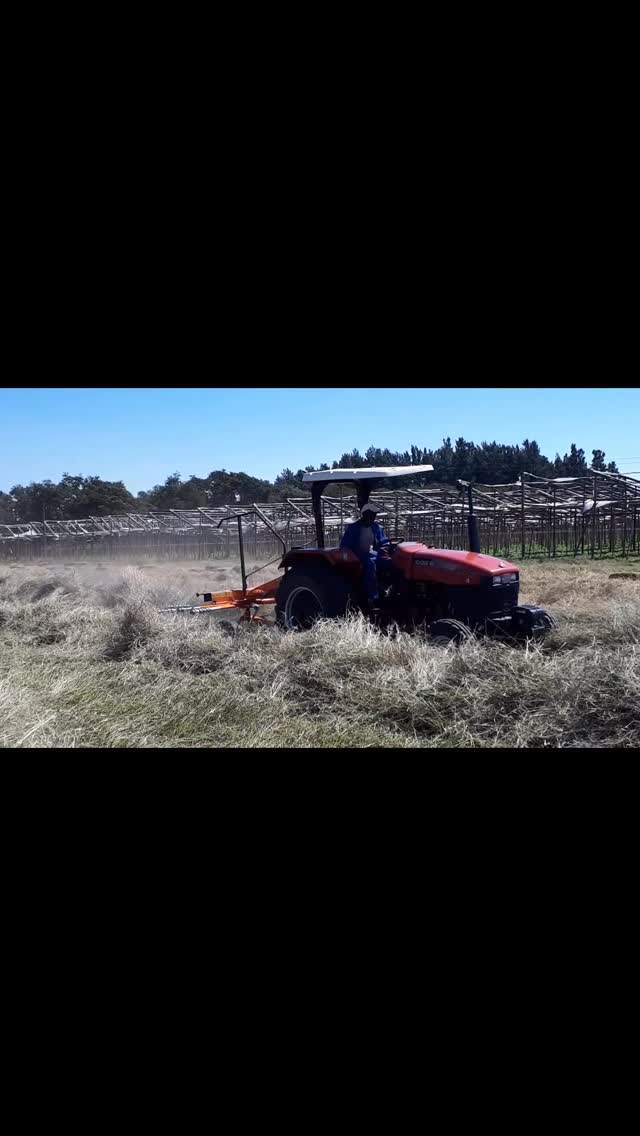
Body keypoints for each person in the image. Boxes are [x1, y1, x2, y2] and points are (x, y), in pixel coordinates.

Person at [340, 502, 391, 604]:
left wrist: (386, 548)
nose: (373, 517)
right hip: (357, 554)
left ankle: (389, 589)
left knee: (390, 562)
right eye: (371, 514)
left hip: (372, 552)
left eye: (374, 515)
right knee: (370, 564)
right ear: (365, 514)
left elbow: (383, 541)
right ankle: (373, 595)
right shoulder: (354, 528)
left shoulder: (377, 528)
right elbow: (345, 545)